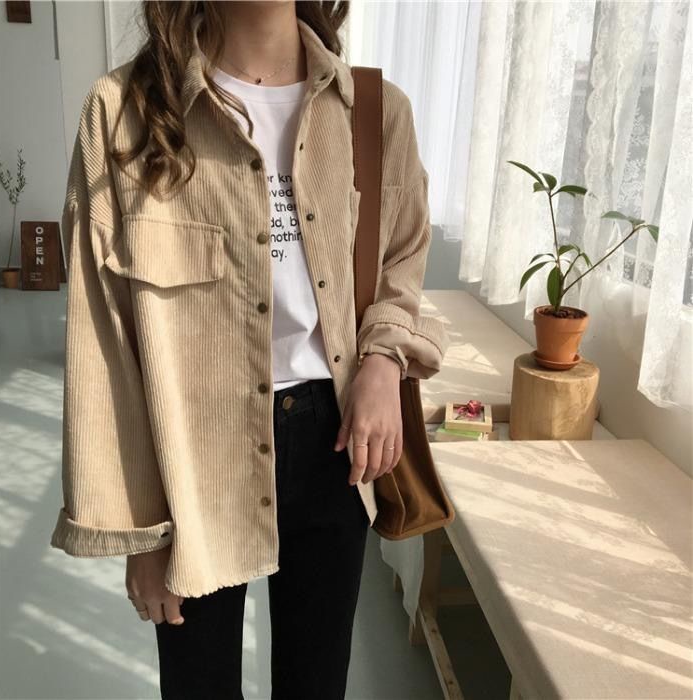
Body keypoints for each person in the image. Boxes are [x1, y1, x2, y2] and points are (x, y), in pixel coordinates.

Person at [50, 1, 449, 698]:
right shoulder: (123, 114)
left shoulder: (375, 111)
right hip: (189, 452)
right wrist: (143, 531)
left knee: (316, 684)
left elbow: (402, 255)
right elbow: (102, 341)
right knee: (197, 686)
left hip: (334, 443)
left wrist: (384, 360)